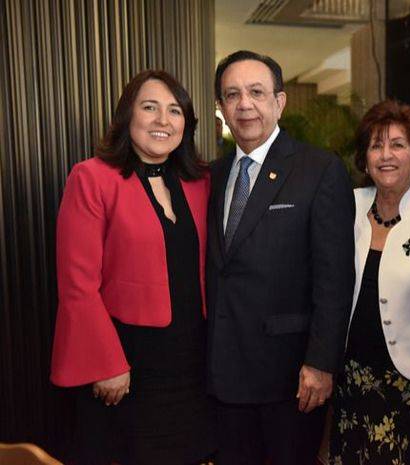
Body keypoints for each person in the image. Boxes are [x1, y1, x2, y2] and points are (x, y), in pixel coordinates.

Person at [50, 70, 215, 465]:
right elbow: (77, 285)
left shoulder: (202, 181)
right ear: (128, 116)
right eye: (150, 107)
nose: (163, 120)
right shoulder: (91, 178)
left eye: (174, 111)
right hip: (126, 365)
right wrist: (106, 363)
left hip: (193, 365)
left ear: (186, 124)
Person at [207, 50, 355, 465]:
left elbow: (335, 279)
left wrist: (322, 363)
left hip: (290, 378)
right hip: (224, 377)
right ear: (220, 107)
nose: (244, 104)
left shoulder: (319, 169)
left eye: (256, 92)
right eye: (232, 95)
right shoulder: (213, 176)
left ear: (280, 101)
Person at [329, 100, 410, 465]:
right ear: (364, 158)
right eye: (376, 145)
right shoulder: (346, 206)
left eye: (397, 144)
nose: (386, 155)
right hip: (351, 377)